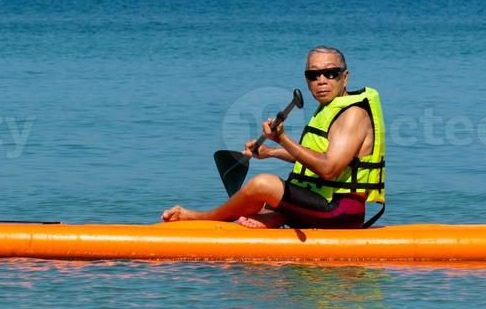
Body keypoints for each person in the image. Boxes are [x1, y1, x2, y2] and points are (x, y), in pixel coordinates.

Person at [162, 47, 387, 229]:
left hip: (340, 210)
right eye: (313, 75)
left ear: (344, 77)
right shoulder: (329, 109)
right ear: (307, 80)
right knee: (252, 208)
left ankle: (202, 218)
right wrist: (271, 152)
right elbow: (315, 155)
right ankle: (279, 217)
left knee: (263, 184)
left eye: (330, 73)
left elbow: (329, 169)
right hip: (319, 200)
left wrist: (282, 140)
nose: (321, 80)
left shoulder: (352, 115)